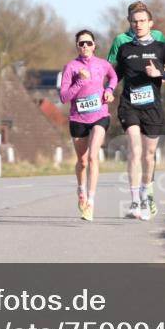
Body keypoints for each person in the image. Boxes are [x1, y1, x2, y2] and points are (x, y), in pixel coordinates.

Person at [113, 2, 165, 221]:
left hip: (152, 107)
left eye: (142, 21)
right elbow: (115, 76)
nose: (139, 24)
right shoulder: (125, 49)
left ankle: (147, 192)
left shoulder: (161, 48)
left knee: (149, 154)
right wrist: (105, 90)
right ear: (130, 23)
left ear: (150, 23)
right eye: (134, 21)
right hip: (129, 105)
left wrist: (159, 73)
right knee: (135, 150)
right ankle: (135, 201)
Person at [59, 30, 117, 221]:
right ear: (77, 46)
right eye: (81, 43)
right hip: (78, 119)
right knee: (82, 161)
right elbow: (63, 97)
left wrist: (109, 90)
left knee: (93, 157)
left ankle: (90, 203)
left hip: (100, 115)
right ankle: (81, 189)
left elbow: (114, 77)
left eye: (88, 43)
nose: (85, 46)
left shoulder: (103, 64)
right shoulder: (70, 67)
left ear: (94, 45)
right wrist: (80, 82)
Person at [106, 1, 165, 65]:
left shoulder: (158, 36)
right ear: (129, 19)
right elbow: (110, 67)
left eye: (142, 19)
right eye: (135, 18)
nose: (138, 23)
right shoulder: (120, 40)